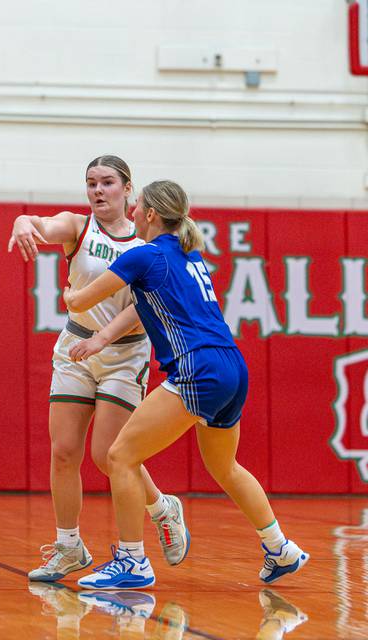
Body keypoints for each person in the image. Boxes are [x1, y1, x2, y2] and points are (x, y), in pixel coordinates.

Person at [63, 180, 308, 589]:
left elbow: (83, 301)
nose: (133, 212)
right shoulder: (191, 256)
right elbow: (145, 308)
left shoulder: (143, 254)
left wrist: (71, 294)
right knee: (224, 466)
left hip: (198, 368)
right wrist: (102, 337)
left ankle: (132, 561)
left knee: (119, 456)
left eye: (138, 207)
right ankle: (279, 547)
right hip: (232, 364)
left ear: (152, 215)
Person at [8, 157, 189, 583]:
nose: (98, 191)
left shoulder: (148, 242)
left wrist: (102, 339)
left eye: (108, 182)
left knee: (108, 455)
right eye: (91, 183)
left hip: (125, 352)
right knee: (64, 450)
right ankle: (69, 546)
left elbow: (143, 313)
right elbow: (40, 223)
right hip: (75, 344)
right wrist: (21, 221)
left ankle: (163, 508)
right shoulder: (77, 226)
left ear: (129, 189)